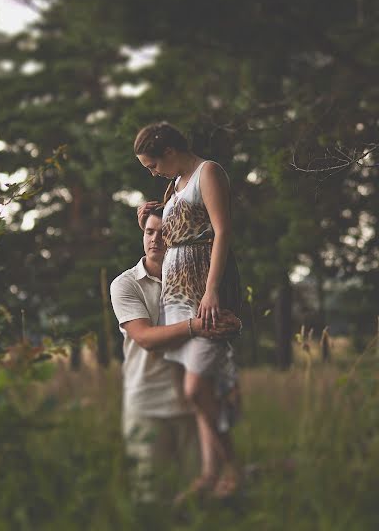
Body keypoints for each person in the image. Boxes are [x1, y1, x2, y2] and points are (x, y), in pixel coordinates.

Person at [134, 121, 242, 501]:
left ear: (168, 150)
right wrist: (149, 213)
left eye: (152, 164)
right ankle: (210, 475)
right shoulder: (174, 186)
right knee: (198, 392)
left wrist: (212, 291)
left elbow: (222, 231)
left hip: (202, 294)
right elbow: (177, 228)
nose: (152, 172)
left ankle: (232, 469)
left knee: (197, 389)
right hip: (176, 299)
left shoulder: (207, 172)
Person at [110, 208, 240, 502]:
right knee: (150, 500)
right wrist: (196, 326)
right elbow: (144, 338)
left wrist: (229, 383)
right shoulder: (126, 284)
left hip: (192, 409)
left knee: (197, 504)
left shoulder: (197, 279)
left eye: (164, 232)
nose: (155, 239)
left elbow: (216, 343)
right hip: (147, 405)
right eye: (149, 232)